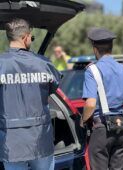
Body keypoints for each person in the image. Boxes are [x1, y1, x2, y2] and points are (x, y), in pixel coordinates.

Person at [0, 18, 61, 170]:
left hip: (11, 143)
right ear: (26, 37)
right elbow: (52, 89)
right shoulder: (44, 64)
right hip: (40, 140)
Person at [81, 27, 123, 170]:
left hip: (101, 128)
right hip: (121, 127)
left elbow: (90, 104)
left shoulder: (92, 71)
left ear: (95, 48)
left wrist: (83, 120)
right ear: (111, 48)